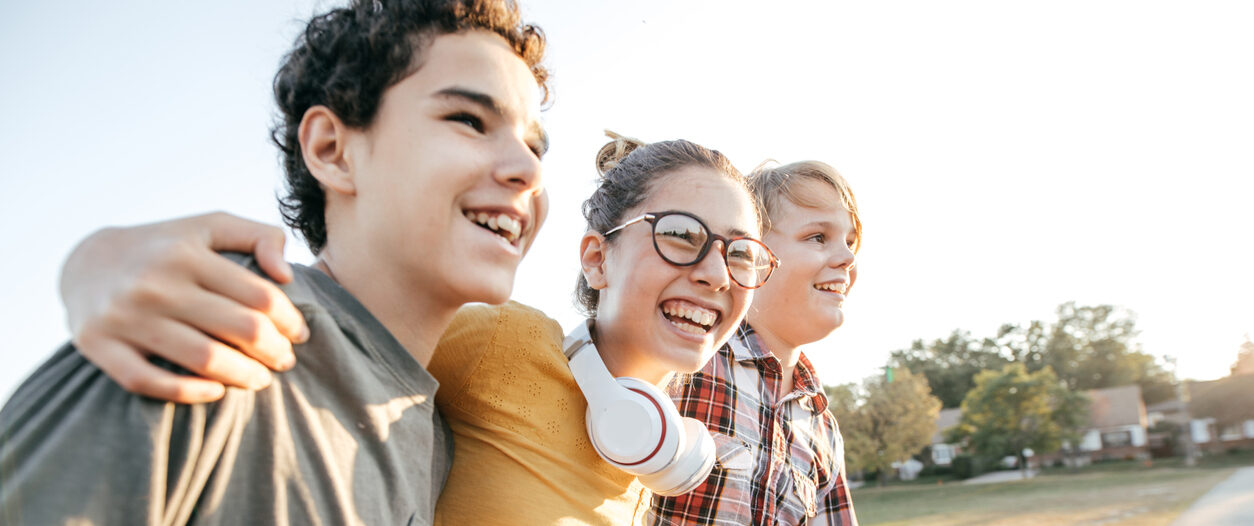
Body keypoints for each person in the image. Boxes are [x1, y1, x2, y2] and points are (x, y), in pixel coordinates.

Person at [0, 0, 549, 524]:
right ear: (332, 151)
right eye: (469, 120)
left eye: (535, 146)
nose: (529, 169)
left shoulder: (443, 441)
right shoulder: (212, 323)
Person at [651, 161, 862, 525]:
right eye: (818, 237)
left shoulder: (822, 426)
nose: (847, 258)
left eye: (850, 242)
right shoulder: (686, 364)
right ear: (752, 255)